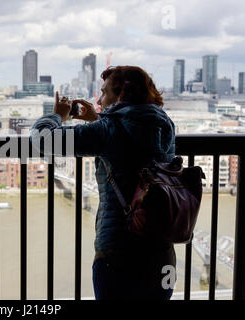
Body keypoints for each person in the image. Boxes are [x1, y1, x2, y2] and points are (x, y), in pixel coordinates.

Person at [31, 65, 176, 300]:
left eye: (104, 92)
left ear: (121, 95)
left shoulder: (107, 130)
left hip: (118, 252)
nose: (99, 98)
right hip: (161, 251)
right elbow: (131, 143)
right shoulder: (165, 125)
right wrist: (99, 119)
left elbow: (43, 141)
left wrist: (58, 115)